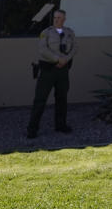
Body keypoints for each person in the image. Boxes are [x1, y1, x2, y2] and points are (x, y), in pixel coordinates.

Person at [26, 9, 76, 138]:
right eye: (55, 17)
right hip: (48, 70)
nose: (56, 20)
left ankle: (61, 125)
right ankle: (32, 129)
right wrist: (57, 59)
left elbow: (74, 48)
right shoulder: (46, 32)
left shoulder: (69, 33)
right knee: (40, 99)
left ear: (64, 19)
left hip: (63, 71)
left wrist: (65, 59)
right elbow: (43, 49)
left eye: (59, 18)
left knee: (62, 98)